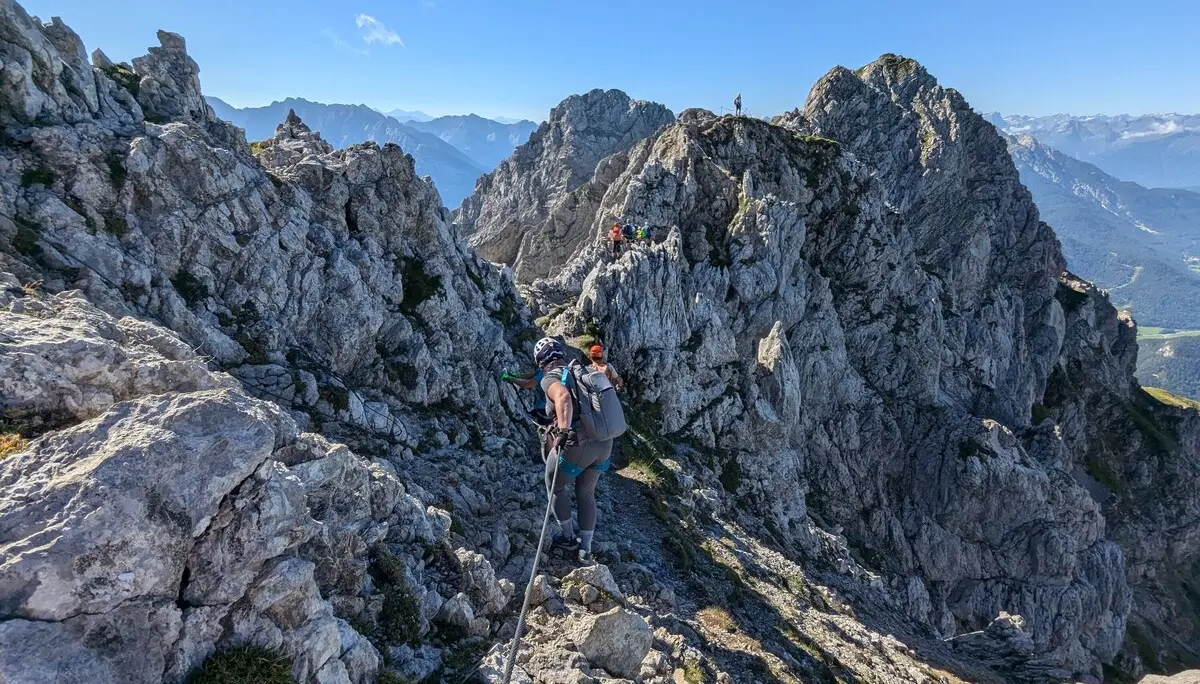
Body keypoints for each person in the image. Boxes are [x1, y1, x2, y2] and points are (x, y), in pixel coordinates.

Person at [527, 336, 614, 564]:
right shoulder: (582, 372)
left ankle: (567, 537)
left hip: (579, 443)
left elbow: (563, 397)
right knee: (586, 493)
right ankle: (585, 549)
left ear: (541, 361)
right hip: (604, 443)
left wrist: (563, 431)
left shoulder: (551, 378)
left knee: (553, 484)